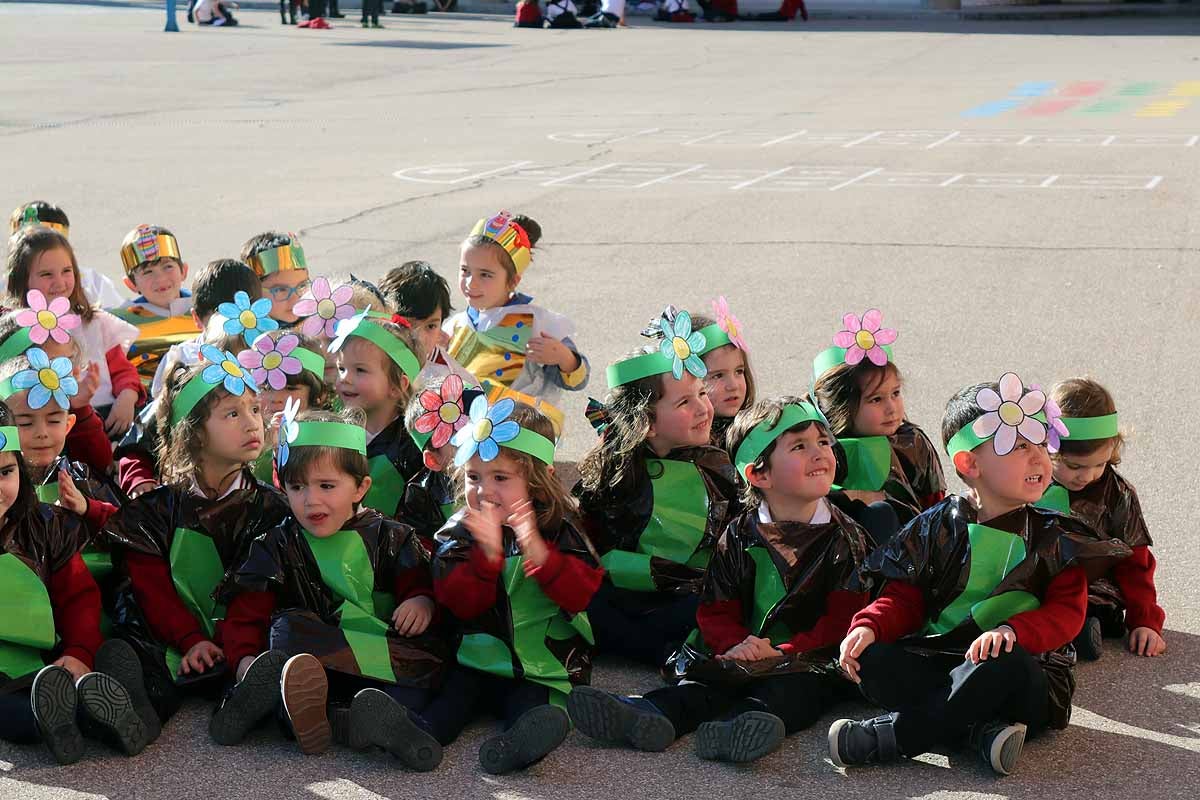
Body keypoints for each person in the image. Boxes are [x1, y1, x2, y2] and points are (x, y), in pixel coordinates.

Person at [829, 372, 1131, 775]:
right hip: (943, 657)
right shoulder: (936, 524)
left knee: (1002, 663)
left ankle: (897, 737)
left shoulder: (1056, 535)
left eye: (1041, 443)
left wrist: (1013, 631)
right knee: (874, 658)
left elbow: (1067, 613)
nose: (1039, 458)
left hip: (1022, 674)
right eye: (1019, 447)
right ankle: (977, 732)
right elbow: (905, 596)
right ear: (969, 464)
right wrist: (869, 626)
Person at [571, 397, 870, 763]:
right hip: (743, 650)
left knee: (793, 694)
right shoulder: (740, 533)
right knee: (702, 682)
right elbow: (715, 609)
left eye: (823, 442)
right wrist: (737, 645)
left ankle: (735, 729)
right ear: (760, 475)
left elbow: (841, 622)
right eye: (799, 446)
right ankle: (649, 714)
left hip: (809, 659)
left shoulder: (846, 537)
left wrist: (780, 654)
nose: (820, 453)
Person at [215, 407, 451, 765]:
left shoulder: (392, 536)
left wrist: (421, 601)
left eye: (326, 486)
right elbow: (246, 612)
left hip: (380, 655)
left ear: (361, 487)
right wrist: (245, 661)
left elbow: (420, 582)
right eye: (297, 487)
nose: (311, 501)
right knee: (285, 637)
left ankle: (380, 724)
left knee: (427, 664)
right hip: (319, 661)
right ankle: (277, 707)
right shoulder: (276, 543)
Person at [409, 399, 602, 773]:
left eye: (500, 477)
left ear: (537, 480)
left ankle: (515, 747)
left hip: (543, 665)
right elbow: (458, 604)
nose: (484, 491)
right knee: (450, 701)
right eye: (473, 477)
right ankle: (414, 736)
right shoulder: (460, 533)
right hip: (474, 661)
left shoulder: (560, 529)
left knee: (534, 708)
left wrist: (539, 554)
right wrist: (487, 557)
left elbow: (581, 595)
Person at [101, 349, 290, 728]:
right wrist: (190, 639)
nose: (253, 423)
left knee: (281, 648)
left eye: (254, 409)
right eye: (232, 414)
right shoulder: (157, 511)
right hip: (174, 634)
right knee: (142, 653)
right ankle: (131, 715)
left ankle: (242, 703)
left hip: (244, 638)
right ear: (193, 431)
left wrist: (232, 647)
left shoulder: (272, 509)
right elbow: (151, 589)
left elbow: (257, 593)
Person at [575, 308, 740, 667]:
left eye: (701, 393)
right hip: (628, 595)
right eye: (684, 402)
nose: (703, 408)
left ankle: (666, 650)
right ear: (647, 423)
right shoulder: (611, 472)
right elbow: (584, 540)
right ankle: (663, 653)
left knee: (706, 609)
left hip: (686, 593)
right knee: (586, 604)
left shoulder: (717, 463)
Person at [0, 401, 156, 764]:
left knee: (78, 675)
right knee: (10, 711)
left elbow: (79, 595)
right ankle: (54, 722)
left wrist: (79, 652)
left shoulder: (46, 522)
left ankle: (103, 710)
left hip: (48, 656)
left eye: (5, 472)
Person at [1039, 377, 1166, 660]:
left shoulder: (1118, 493)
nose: (1087, 475)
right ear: (1047, 448)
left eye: (1100, 464)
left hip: (1093, 591)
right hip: (1037, 584)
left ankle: (1079, 631)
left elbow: (1136, 562)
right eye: (1074, 466)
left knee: (1091, 607)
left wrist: (1145, 621)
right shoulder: (1029, 482)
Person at [443, 211, 588, 435]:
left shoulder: (534, 320)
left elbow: (578, 379)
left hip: (526, 433)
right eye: (465, 271)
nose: (471, 282)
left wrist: (562, 357)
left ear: (513, 281)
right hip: (475, 432)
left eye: (485, 275)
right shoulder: (456, 324)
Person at [811, 308, 945, 545]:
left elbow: (933, 503)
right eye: (876, 399)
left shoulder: (913, 442)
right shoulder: (823, 451)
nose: (891, 407)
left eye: (895, 393)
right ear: (842, 407)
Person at [6, 227, 144, 439]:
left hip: (108, 418)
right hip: (48, 427)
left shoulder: (94, 322)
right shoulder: (16, 332)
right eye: (46, 274)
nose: (59, 282)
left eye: (66, 271)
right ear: (22, 280)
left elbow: (123, 371)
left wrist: (127, 396)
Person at [329, 312, 427, 520]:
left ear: (397, 385)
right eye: (341, 368)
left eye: (360, 370)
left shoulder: (414, 447)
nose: (345, 379)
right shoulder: (332, 429)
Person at [0, 306, 112, 476]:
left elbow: (100, 464)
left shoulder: (62, 409)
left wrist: (81, 409)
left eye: (69, 360)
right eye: (54, 363)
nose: (71, 371)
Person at [111, 224, 201, 393]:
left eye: (168, 266)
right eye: (147, 272)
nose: (160, 278)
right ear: (131, 284)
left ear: (184, 271)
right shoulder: (120, 323)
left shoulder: (206, 309)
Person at [402, 373, 483, 550]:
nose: (477, 442)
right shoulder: (421, 496)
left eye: (481, 431)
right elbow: (423, 556)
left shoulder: (510, 472)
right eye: (459, 441)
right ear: (433, 460)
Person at [6, 202, 124, 309]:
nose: (60, 283)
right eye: (46, 274)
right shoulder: (6, 287)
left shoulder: (93, 281)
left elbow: (119, 314)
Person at [689, 297, 755, 448]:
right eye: (718, 375)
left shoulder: (754, 430)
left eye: (739, 371)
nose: (733, 385)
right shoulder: (690, 443)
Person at [378, 260, 453, 356]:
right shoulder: (362, 357)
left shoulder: (448, 370)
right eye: (406, 325)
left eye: (431, 326)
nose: (420, 339)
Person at [240, 232, 312, 329]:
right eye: (281, 290)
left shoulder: (322, 328)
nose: (296, 299)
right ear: (253, 292)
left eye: (302, 286)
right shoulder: (243, 339)